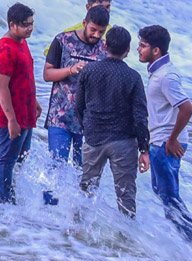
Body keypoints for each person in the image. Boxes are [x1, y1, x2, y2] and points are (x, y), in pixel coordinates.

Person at [39, 4, 110, 205]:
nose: (96, 35)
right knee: (56, 165)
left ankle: (77, 215)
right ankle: (48, 211)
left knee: (84, 171)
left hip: (89, 122)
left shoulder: (105, 49)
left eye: (101, 32)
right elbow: (47, 74)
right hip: (59, 118)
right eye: (93, 29)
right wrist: (71, 70)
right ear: (85, 23)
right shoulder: (62, 40)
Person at [75, 26, 149, 216]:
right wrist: (144, 149)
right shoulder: (133, 77)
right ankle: (125, 242)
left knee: (86, 189)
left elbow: (79, 106)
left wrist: (87, 128)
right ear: (128, 50)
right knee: (126, 196)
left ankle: (75, 234)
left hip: (94, 139)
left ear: (105, 45)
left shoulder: (89, 71)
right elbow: (140, 117)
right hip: (123, 142)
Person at [138, 25, 192, 240]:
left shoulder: (165, 76)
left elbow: (187, 107)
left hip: (165, 144)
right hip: (161, 142)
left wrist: (171, 140)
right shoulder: (159, 72)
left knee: (170, 200)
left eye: (142, 46)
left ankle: (188, 244)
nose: (138, 50)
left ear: (156, 50)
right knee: (166, 197)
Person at [0, 3, 40, 204]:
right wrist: (11, 120)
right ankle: (4, 202)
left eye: (31, 24)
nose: (30, 28)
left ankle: (14, 195)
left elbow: (24, 77)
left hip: (25, 111)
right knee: (7, 159)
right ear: (12, 25)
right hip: (11, 115)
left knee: (20, 158)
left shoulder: (21, 41)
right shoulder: (5, 50)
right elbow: (1, 87)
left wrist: (34, 102)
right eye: (26, 25)